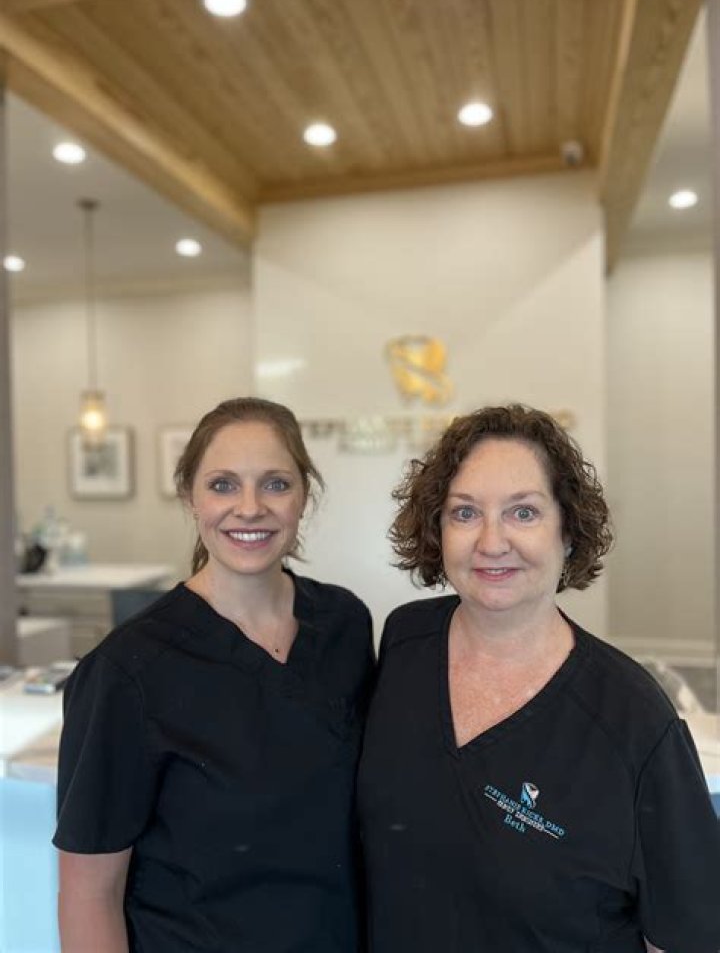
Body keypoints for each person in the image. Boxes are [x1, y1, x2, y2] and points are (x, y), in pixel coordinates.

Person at [358, 403, 720, 953]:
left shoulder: (631, 717)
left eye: (523, 512)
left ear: (568, 531)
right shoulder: (406, 642)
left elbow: (689, 933)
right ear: (437, 529)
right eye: (464, 513)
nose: (491, 542)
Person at [54, 397, 374, 953]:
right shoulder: (127, 672)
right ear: (190, 496)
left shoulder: (344, 624)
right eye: (223, 485)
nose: (249, 508)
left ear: (304, 495)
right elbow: (88, 895)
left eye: (275, 484)